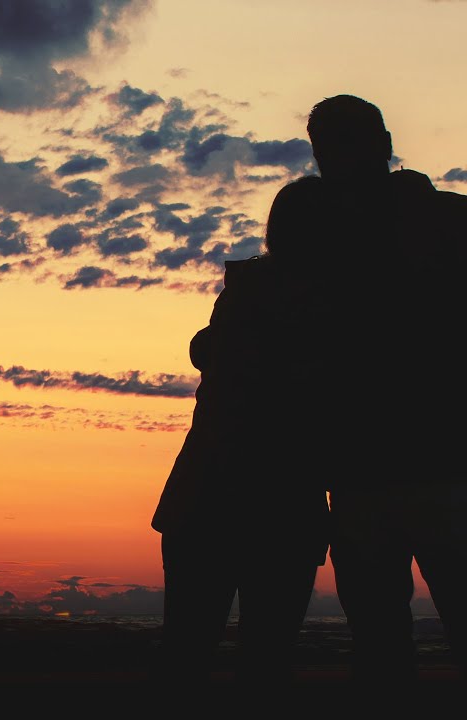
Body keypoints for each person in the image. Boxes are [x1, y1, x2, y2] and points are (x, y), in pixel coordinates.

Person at [302, 95, 467, 686]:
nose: (336, 159)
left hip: (395, 475)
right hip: (415, 474)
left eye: (340, 145)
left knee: (393, 645)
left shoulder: (329, 239)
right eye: (330, 147)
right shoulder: (462, 223)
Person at [150, 176, 334, 689]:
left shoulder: (245, 292)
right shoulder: (323, 304)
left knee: (189, 652)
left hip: (210, 498)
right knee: (261, 659)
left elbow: (213, 357)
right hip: (275, 502)